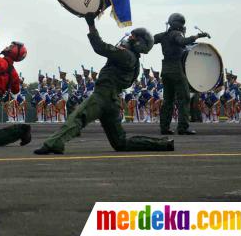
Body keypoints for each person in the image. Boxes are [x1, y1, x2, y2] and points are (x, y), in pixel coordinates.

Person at [34, 13, 173, 155]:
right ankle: (163, 144)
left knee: (78, 117)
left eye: (133, 37)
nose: (129, 38)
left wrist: (91, 25)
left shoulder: (126, 56)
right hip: (112, 101)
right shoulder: (134, 62)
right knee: (120, 143)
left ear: (139, 43)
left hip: (102, 96)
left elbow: (100, 47)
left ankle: (53, 143)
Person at [154, 13, 210, 135]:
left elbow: (151, 40)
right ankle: (183, 127)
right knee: (184, 98)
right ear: (179, 24)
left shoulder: (163, 35)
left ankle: (164, 127)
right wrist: (197, 35)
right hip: (176, 69)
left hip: (166, 70)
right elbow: (182, 41)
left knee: (168, 100)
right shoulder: (176, 34)